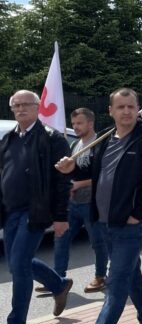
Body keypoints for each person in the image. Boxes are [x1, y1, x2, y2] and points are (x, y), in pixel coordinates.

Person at [56, 88, 142, 324]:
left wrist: (138, 213)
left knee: (115, 282)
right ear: (111, 111)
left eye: (131, 106)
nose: (126, 111)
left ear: (137, 108)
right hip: (104, 222)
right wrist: (70, 167)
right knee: (132, 276)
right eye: (121, 107)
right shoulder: (106, 139)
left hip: (131, 226)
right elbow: (89, 168)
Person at [1, 90, 73, 324]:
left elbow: (63, 181)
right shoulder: (9, 139)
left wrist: (61, 216)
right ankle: (58, 284)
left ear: (37, 107)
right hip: (10, 211)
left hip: (35, 212)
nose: (20, 109)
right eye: (16, 105)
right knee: (17, 262)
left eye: (26, 105)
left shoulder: (52, 138)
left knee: (19, 264)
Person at [49, 108, 108, 294]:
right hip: (73, 204)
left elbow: (105, 175)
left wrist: (78, 184)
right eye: (73, 124)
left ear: (90, 123)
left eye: (79, 123)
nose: (75, 127)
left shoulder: (101, 144)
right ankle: (58, 279)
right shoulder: (75, 145)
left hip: (92, 203)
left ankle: (100, 277)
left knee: (97, 242)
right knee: (61, 238)